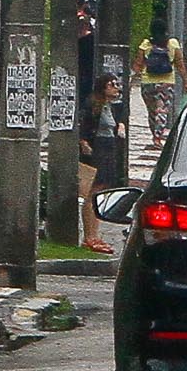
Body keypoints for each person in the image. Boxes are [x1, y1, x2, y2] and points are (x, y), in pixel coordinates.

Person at [81, 74, 125, 251]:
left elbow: (116, 123)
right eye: (111, 85)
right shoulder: (93, 105)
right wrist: (84, 143)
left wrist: (120, 126)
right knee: (93, 193)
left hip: (109, 148)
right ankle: (89, 236)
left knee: (101, 192)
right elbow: (85, 126)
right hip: (97, 148)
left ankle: (95, 234)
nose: (116, 88)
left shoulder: (112, 107)